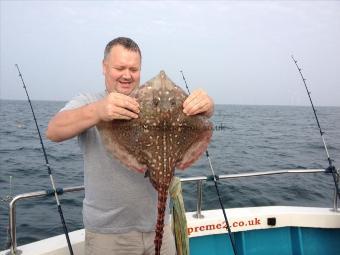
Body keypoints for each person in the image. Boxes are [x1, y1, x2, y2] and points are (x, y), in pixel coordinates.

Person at [46, 37, 214, 255]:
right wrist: (98, 111)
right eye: (119, 67)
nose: (127, 75)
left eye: (133, 69)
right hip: (109, 236)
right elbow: (53, 131)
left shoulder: (150, 100)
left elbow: (204, 123)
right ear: (104, 67)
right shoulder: (90, 100)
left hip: (159, 228)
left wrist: (207, 107)